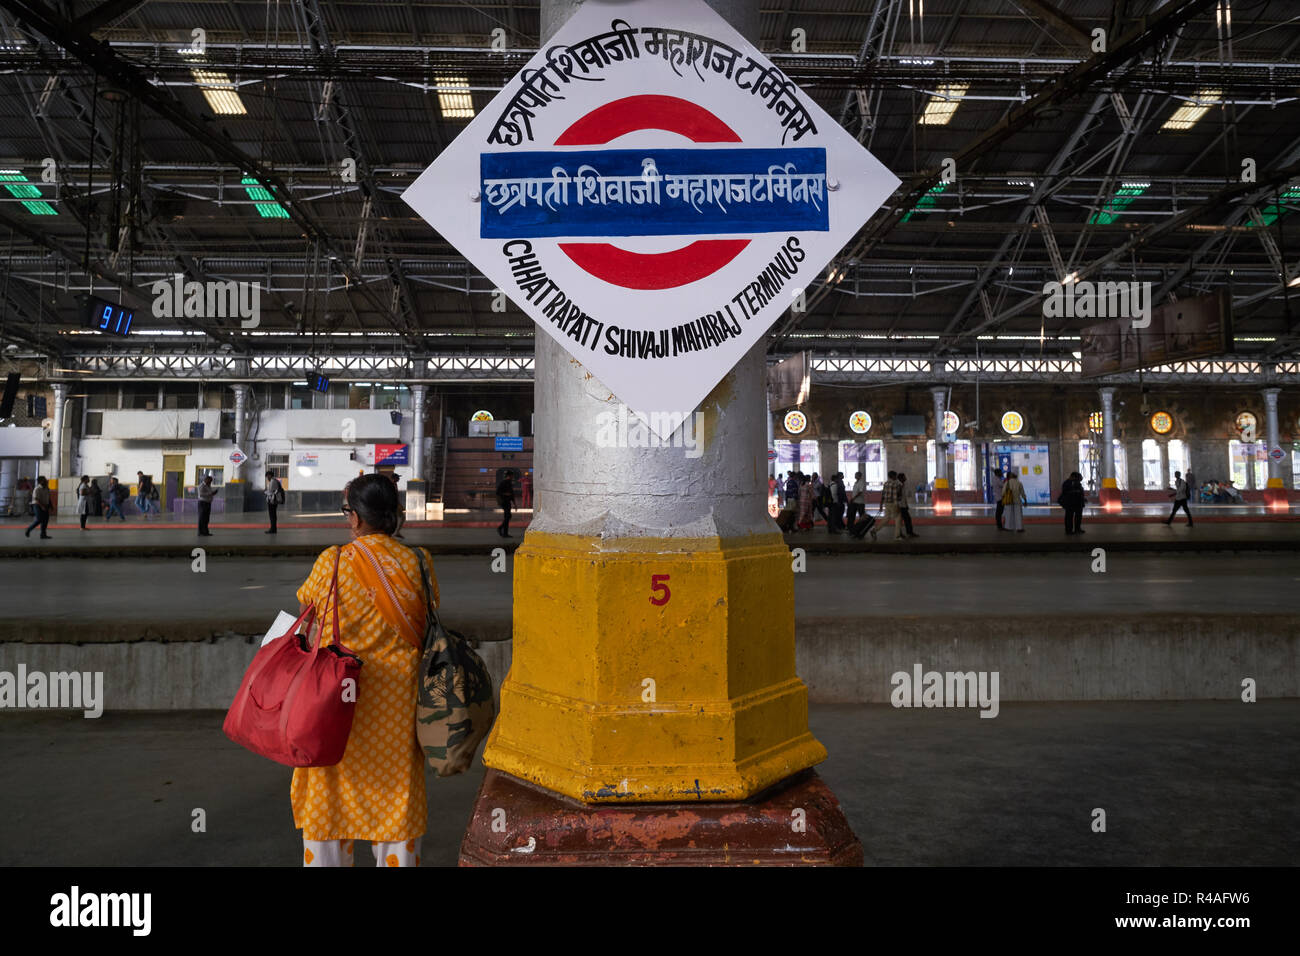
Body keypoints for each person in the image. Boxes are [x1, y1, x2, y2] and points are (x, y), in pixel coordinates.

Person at [293, 474, 437, 867]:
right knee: (395, 802)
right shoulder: (418, 562)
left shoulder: (333, 561)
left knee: (330, 802)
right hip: (396, 710)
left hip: (335, 706)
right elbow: (429, 618)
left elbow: (307, 603)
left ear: (355, 518)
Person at [872, 470, 905, 541]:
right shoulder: (897, 484)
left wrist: (880, 504)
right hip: (894, 503)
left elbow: (883, 494)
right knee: (898, 518)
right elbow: (898, 495)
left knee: (886, 518)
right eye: (895, 476)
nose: (896, 477)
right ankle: (897, 536)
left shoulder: (886, 484)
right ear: (893, 476)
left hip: (887, 503)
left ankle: (875, 530)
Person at [897, 471, 919, 537]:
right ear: (901, 478)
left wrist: (906, 505)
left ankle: (904, 533)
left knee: (902, 520)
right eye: (904, 477)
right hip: (900, 506)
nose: (906, 478)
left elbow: (904, 497)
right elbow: (899, 496)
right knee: (906, 519)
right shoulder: (899, 485)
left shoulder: (903, 485)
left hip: (903, 505)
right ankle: (908, 532)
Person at [496, 469, 515, 538]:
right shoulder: (503, 483)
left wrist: (514, 503)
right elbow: (498, 492)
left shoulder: (510, 483)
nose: (513, 476)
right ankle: (501, 529)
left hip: (508, 502)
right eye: (512, 475)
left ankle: (504, 533)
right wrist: (505, 494)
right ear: (509, 476)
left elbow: (512, 494)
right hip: (504, 502)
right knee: (507, 516)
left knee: (508, 517)